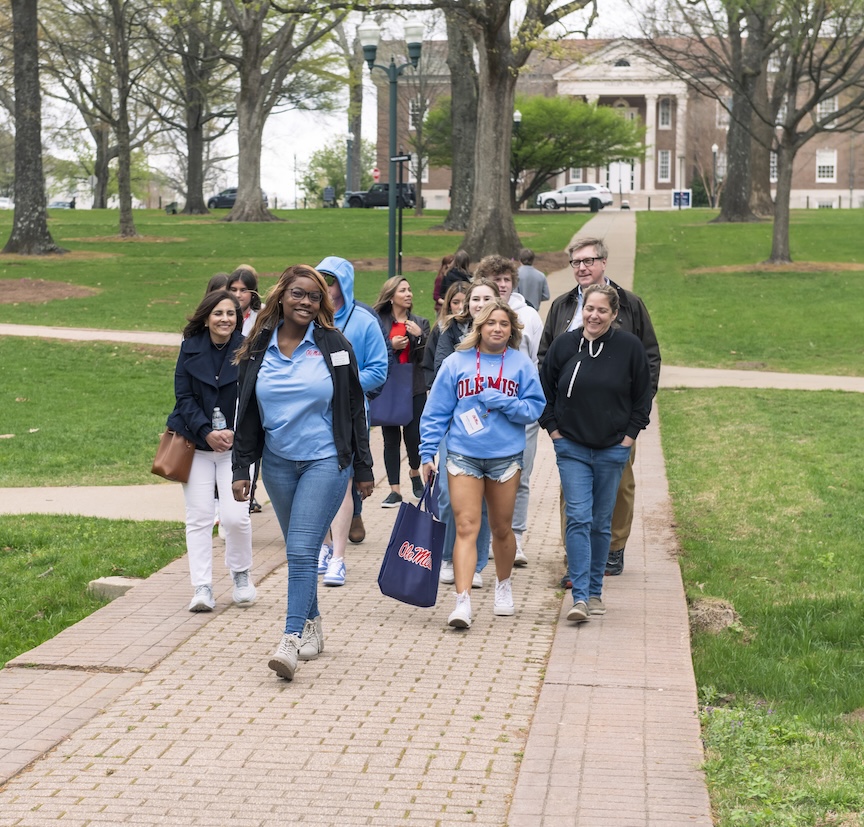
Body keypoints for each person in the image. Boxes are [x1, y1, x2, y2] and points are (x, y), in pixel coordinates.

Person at [231, 265, 374, 681]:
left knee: (300, 549)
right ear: (282, 295)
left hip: (326, 460)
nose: (306, 302)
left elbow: (354, 408)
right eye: (298, 293)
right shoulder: (258, 345)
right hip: (277, 462)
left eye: (314, 296)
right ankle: (313, 623)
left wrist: (363, 467)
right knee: (302, 551)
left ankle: (290, 639)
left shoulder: (333, 344)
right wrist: (243, 467)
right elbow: (246, 412)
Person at [539, 237, 661, 577]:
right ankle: (575, 551)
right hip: (571, 422)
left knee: (619, 484)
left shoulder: (630, 304)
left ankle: (613, 548)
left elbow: (649, 357)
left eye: (589, 260)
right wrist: (554, 418)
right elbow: (545, 356)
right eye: (576, 262)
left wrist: (637, 412)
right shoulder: (562, 306)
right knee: (572, 488)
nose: (582, 267)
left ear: (604, 263)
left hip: (616, 421)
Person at [421, 300, 546, 629]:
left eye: (504, 324)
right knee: (466, 526)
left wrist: (504, 402)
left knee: (502, 529)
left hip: (505, 459)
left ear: (512, 330)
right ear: (479, 327)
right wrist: (426, 452)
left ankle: (503, 586)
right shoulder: (455, 363)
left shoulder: (520, 365)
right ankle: (462, 601)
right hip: (463, 454)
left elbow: (534, 409)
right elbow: (436, 412)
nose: (497, 328)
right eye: (491, 323)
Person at [166, 290, 256, 613]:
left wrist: (235, 433)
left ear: (239, 318)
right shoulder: (189, 350)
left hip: (237, 448)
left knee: (235, 518)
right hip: (197, 445)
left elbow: (254, 399)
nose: (224, 319)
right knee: (200, 517)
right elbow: (183, 397)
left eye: (231, 314)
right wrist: (206, 430)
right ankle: (202, 586)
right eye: (218, 313)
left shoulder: (248, 350)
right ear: (207, 317)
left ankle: (241, 575)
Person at [314, 256, 388, 585]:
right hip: (312, 416)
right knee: (317, 486)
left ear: (343, 285)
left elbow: (378, 370)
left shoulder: (364, 322)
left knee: (342, 483)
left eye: (330, 282)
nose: (325, 289)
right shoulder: (307, 319)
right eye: (321, 281)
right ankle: (325, 546)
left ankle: (338, 557)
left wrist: (344, 384)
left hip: (349, 417)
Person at [474, 255, 544, 567]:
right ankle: (487, 538)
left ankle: (515, 536)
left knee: (521, 475)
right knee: (483, 477)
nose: (502, 284)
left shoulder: (529, 315)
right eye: (495, 279)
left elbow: (538, 359)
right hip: (481, 413)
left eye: (506, 279)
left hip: (520, 410)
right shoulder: (475, 313)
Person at [433, 278, 500, 588]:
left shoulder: (505, 335)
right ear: (466, 303)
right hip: (455, 427)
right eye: (475, 299)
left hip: (493, 431)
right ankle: (447, 556)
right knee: (448, 495)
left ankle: (474, 562)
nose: (480, 304)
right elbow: (441, 373)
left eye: (487, 298)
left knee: (485, 499)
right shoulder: (450, 331)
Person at [373, 276, 431, 507]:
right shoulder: (378, 321)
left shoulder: (420, 322)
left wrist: (420, 336)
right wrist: (391, 346)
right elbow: (373, 350)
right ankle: (394, 490)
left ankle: (415, 473)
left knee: (414, 436)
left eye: (410, 289)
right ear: (391, 295)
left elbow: (427, 357)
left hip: (414, 386)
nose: (409, 294)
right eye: (403, 290)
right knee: (390, 439)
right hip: (388, 386)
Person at [423, 281, 467, 390]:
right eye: (455, 302)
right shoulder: (441, 329)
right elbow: (429, 362)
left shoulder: (480, 328)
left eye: (465, 302)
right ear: (449, 305)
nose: (460, 307)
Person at [228, 264, 262, 335]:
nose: (237, 295)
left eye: (243, 290)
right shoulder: (220, 316)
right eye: (233, 290)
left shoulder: (263, 315)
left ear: (253, 293)